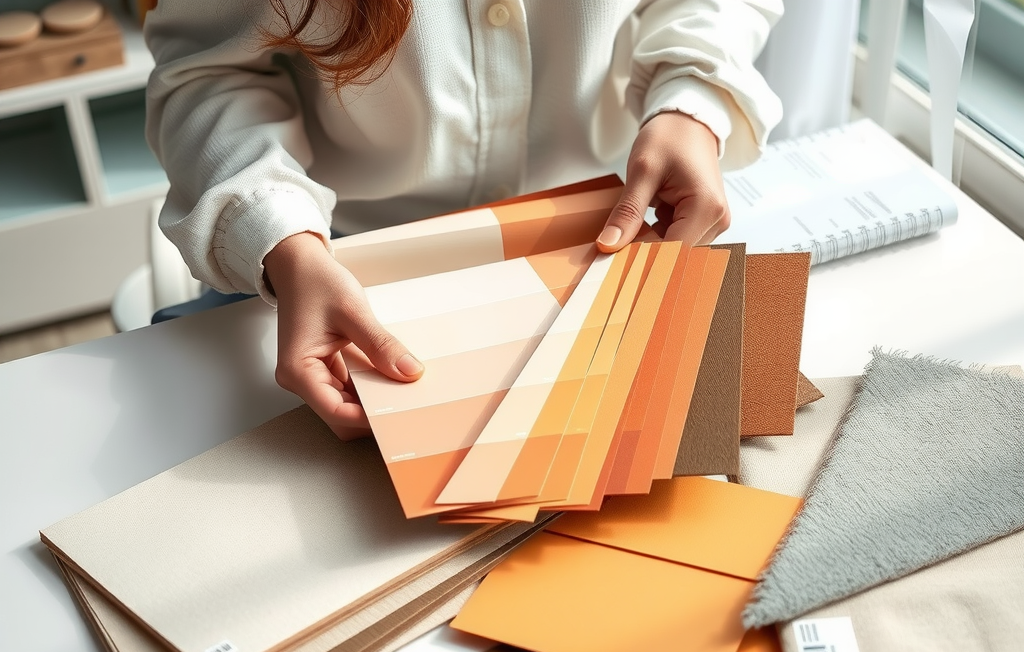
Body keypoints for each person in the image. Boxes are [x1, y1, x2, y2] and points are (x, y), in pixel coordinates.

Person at [145, 0, 783, 439]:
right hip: (336, 264)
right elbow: (210, 73)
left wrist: (692, 103)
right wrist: (284, 242)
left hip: (597, 240)